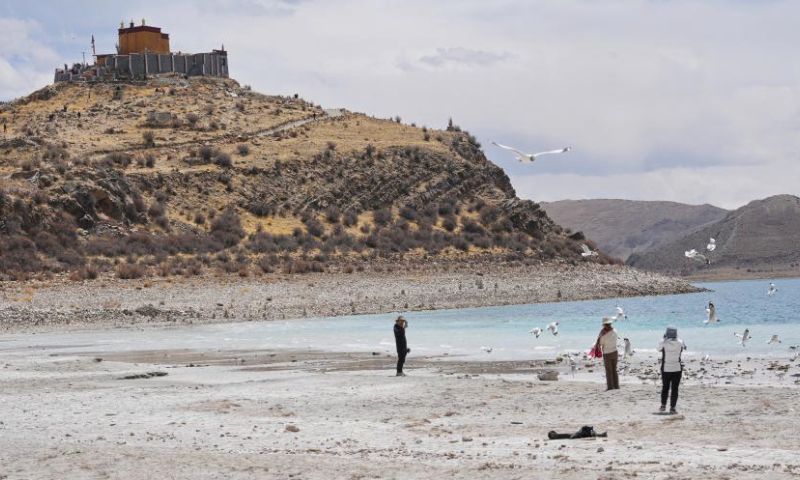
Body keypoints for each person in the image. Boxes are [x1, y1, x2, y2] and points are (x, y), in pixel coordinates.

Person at [658, 326, 686, 414]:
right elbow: (684, 347)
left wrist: (664, 339)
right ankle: (672, 408)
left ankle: (663, 405)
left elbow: (658, 349)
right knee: (675, 389)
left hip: (666, 368)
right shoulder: (680, 342)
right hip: (677, 368)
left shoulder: (663, 342)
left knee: (665, 387)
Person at [595, 317, 619, 390]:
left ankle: (610, 387)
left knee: (609, 371)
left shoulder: (603, 333)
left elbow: (601, 343)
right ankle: (616, 386)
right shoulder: (615, 331)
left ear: (604, 325)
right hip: (615, 352)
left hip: (607, 353)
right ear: (610, 323)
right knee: (614, 370)